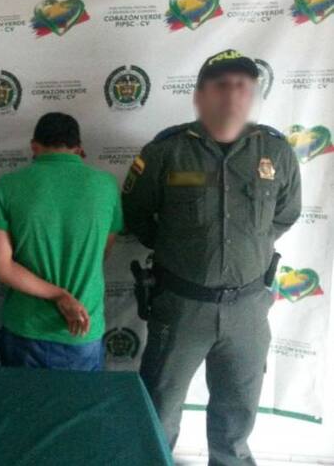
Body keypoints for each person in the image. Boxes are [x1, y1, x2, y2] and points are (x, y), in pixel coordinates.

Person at [123, 49, 301, 465]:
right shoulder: (166, 152)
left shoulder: (276, 152)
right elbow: (137, 214)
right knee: (159, 409)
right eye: (222, 85)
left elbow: (285, 214)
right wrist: (185, 249)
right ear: (202, 94)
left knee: (237, 417)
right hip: (181, 306)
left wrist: (247, 247)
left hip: (248, 309)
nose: (233, 95)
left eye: (243, 85)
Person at [0, 112, 123, 371]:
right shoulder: (106, 186)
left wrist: (58, 295)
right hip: (82, 328)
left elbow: (0, 266)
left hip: (25, 327)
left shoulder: (8, 186)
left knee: (21, 399)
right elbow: (102, 253)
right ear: (79, 149)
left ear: (34, 147)